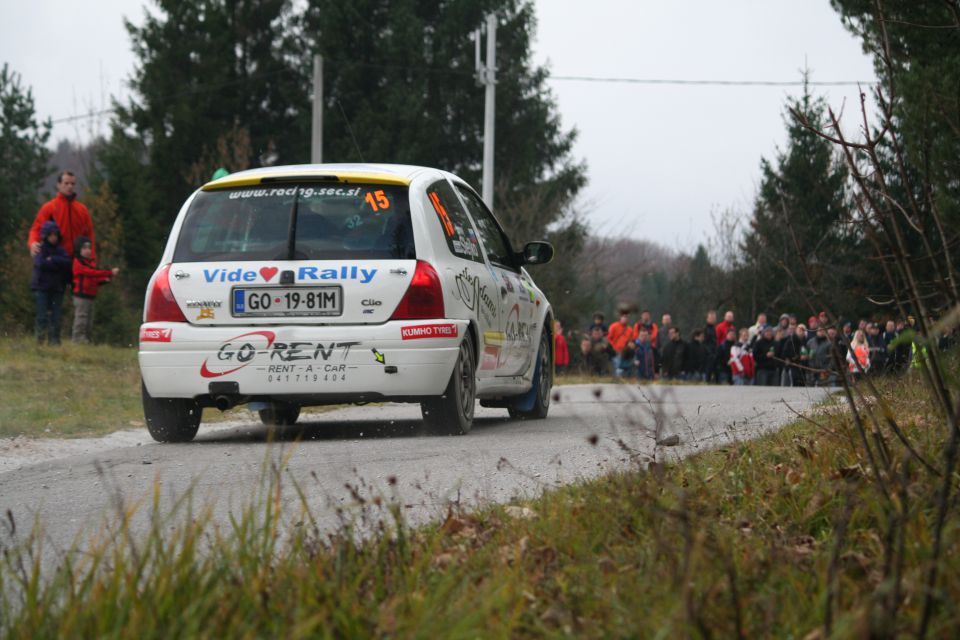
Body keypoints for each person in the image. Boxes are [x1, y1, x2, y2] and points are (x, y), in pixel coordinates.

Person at [28, 171, 95, 261]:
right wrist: (33, 243)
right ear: (59, 185)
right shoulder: (50, 208)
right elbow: (36, 229)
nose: (70, 186)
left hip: (78, 262)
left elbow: (90, 236)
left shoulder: (82, 210)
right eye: (66, 183)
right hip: (57, 260)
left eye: (72, 183)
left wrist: (92, 258)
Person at [71, 237, 119, 344]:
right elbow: (92, 273)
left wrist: (105, 280)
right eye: (84, 248)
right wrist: (109, 273)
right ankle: (77, 339)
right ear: (79, 249)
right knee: (81, 318)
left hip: (90, 295)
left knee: (88, 320)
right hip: (81, 295)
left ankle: (85, 339)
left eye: (89, 248)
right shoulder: (78, 263)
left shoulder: (89, 263)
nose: (88, 250)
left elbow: (94, 279)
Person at [31, 221, 73, 345]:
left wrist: (53, 260)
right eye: (51, 235)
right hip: (41, 287)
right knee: (42, 316)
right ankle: (40, 340)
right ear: (46, 235)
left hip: (57, 288)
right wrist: (57, 264)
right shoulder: (40, 249)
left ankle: (54, 341)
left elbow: (67, 262)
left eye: (55, 235)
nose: (53, 237)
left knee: (56, 317)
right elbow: (41, 264)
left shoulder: (60, 250)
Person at [607, 310, 637, 377]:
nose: (625, 318)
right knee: (617, 367)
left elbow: (631, 341)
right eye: (624, 316)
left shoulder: (630, 329)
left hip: (625, 353)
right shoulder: (614, 326)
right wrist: (613, 347)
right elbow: (609, 338)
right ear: (620, 317)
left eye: (627, 317)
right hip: (616, 351)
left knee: (625, 368)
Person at [703, 310, 718, 383]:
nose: (713, 319)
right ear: (707, 319)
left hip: (714, 354)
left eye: (714, 318)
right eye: (711, 318)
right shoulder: (705, 329)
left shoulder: (714, 329)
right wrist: (710, 353)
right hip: (708, 355)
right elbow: (705, 342)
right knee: (708, 374)